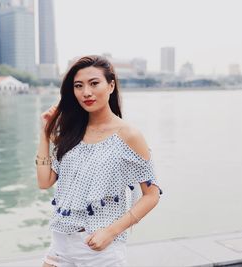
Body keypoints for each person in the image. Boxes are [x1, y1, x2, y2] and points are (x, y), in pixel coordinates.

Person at [36, 55, 162, 267]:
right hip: (60, 245)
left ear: (111, 85)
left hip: (101, 251)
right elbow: (44, 181)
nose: (86, 92)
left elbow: (152, 195)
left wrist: (111, 232)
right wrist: (45, 132)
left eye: (94, 83)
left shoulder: (128, 135)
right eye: (79, 86)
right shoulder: (71, 133)